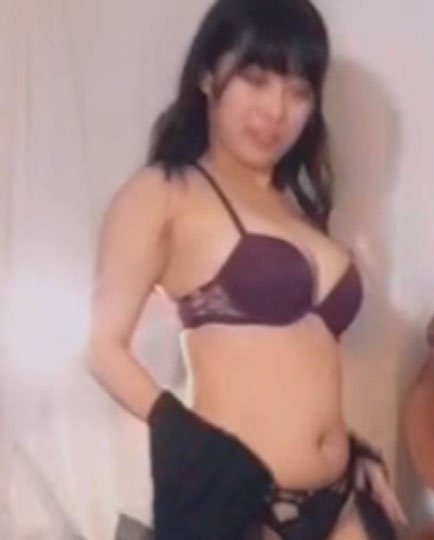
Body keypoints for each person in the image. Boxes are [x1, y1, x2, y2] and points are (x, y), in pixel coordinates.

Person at [87, 0, 407, 538]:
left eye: (299, 91)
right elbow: (102, 349)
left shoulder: (299, 209)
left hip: (343, 501)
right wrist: (191, 446)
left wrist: (353, 449)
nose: (276, 110)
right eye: (255, 79)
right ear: (207, 75)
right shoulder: (164, 191)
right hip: (243, 505)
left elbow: (295, 363)